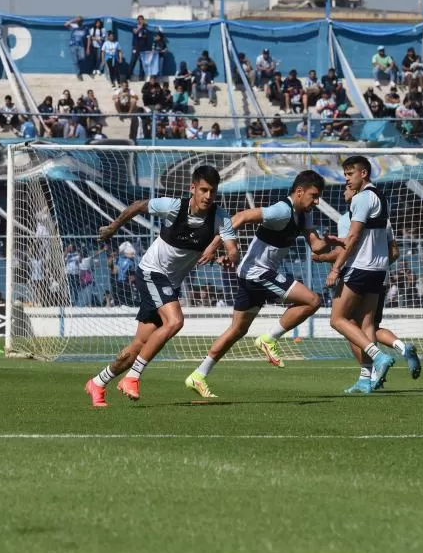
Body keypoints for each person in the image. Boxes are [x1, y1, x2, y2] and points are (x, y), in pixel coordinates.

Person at [84, 166, 239, 407]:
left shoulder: (221, 216)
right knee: (175, 321)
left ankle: (97, 382)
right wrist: (114, 227)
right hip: (151, 272)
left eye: (213, 191)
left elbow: (232, 248)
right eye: (204, 190)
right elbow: (137, 205)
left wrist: (230, 256)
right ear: (193, 189)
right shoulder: (174, 206)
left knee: (138, 346)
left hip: (170, 283)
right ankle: (132, 378)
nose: (208, 196)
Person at [183, 171, 329, 398]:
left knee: (237, 330)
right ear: (299, 192)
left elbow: (317, 248)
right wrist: (214, 246)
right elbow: (239, 217)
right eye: (314, 195)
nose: (317, 201)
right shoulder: (281, 210)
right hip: (257, 274)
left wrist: (343, 242)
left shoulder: (304, 215)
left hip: (253, 274)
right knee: (313, 300)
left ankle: (198, 375)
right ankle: (269, 339)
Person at [314, 184, 421, 388]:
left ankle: (374, 366)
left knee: (343, 322)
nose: (344, 190)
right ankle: (390, 357)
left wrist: (325, 259)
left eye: (347, 185)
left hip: (356, 272)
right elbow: (394, 252)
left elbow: (350, 247)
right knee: (369, 325)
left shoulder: (349, 218)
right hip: (380, 274)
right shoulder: (383, 217)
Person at [324, 156, 397, 393]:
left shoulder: (362, 198)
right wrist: (339, 240)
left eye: (349, 174)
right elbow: (365, 236)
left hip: (360, 267)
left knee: (337, 319)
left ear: (363, 173)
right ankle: (366, 379)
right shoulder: (379, 196)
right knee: (367, 323)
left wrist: (336, 269)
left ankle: (378, 357)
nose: (346, 179)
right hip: (378, 269)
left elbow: (354, 238)